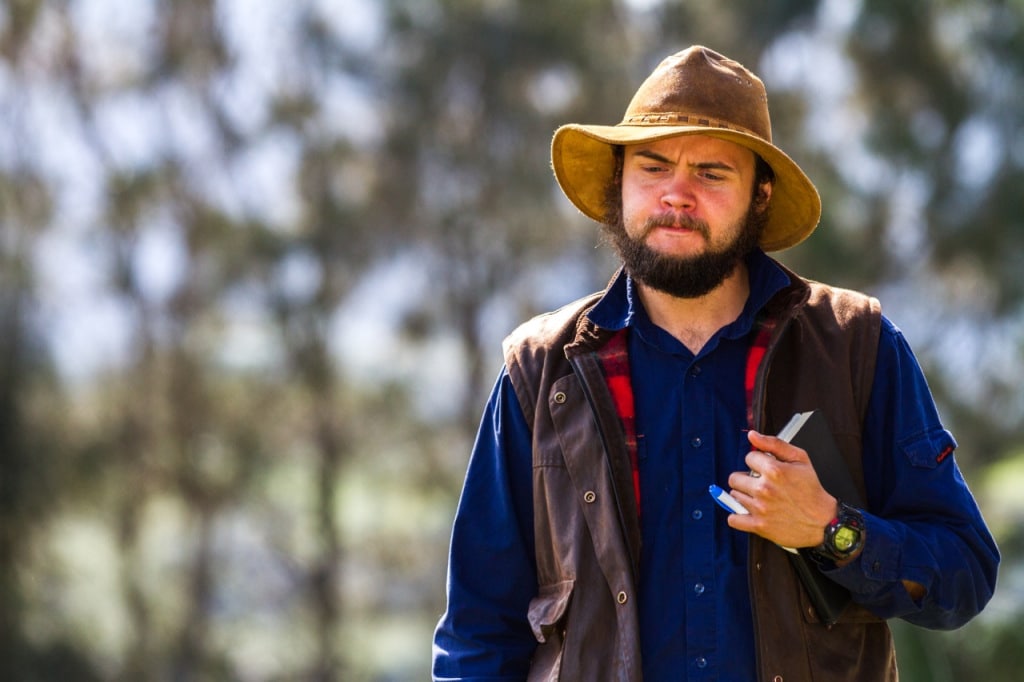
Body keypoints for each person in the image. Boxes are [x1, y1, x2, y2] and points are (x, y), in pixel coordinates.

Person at [432, 45, 999, 681]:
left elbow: (964, 575)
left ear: (759, 197)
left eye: (711, 173)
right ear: (620, 182)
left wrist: (830, 529)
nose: (676, 195)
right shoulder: (540, 372)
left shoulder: (857, 346)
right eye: (652, 167)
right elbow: (479, 634)